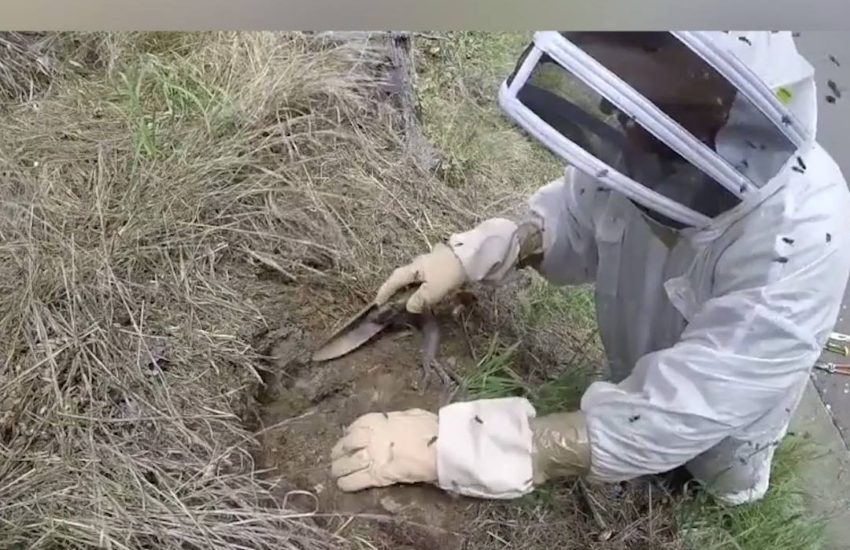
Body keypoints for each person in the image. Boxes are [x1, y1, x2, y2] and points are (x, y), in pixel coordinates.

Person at [329, 31, 850, 505]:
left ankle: (712, 504)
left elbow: (696, 404)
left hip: (727, 422)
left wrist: (456, 447)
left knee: (712, 480)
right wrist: (480, 252)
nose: (633, 139)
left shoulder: (803, 237)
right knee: (632, 402)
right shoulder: (650, 132)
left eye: (658, 122)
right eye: (629, 112)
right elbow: (576, 219)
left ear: (726, 115)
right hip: (639, 355)